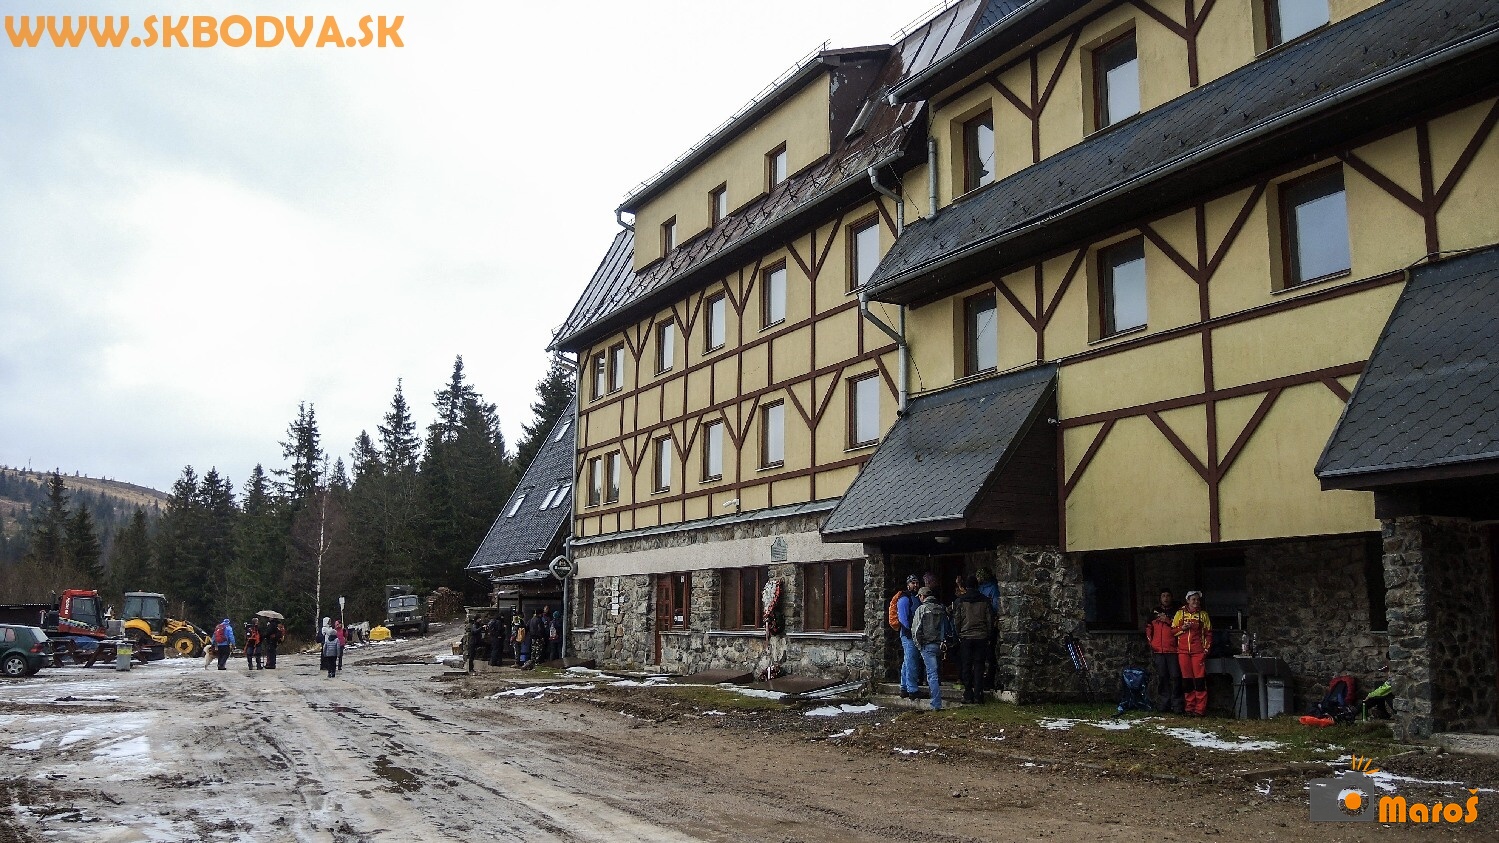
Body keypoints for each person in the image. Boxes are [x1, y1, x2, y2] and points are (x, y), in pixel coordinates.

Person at [953, 575, 993, 703]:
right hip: (981, 636)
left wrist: (959, 633)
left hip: (966, 637)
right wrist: (988, 634)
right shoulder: (985, 601)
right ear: (977, 586)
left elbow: (957, 620)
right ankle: (978, 694)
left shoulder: (960, 601)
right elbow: (989, 620)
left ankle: (968, 693)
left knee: (966, 665)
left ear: (966, 586)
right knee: (979, 665)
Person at [1172, 590, 1212, 716]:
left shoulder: (1203, 615)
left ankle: (1200, 710)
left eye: (1197, 600)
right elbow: (1173, 631)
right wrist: (1182, 628)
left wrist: (1205, 650)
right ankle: (1189, 708)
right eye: (1193, 599)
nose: (1196, 602)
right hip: (1183, 652)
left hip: (1198, 652)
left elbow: (1208, 634)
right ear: (1188, 600)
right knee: (1187, 681)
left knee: (1200, 681)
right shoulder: (1179, 614)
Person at [1145, 589, 1183, 713]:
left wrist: (1167, 620)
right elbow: (1148, 628)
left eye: (1168, 596)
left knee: (1176, 677)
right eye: (1163, 596)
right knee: (1162, 677)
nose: (1165, 598)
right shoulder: (1154, 612)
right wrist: (1152, 643)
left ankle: (1177, 704)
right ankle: (1164, 704)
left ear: (1171, 597)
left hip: (1173, 650)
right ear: (1160, 598)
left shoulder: (1177, 612)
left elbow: (1179, 628)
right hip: (1159, 650)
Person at [910, 587, 947, 711]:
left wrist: (919, 646)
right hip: (939, 645)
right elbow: (944, 628)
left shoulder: (921, 609)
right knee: (936, 674)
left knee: (932, 675)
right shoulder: (941, 609)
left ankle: (936, 704)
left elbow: (915, 630)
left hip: (927, 645)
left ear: (922, 596)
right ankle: (936, 701)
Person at [894, 574, 922, 699]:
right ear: (908, 584)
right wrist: (911, 630)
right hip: (908, 634)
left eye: (917, 583)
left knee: (907, 661)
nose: (915, 585)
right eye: (913, 583)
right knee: (911, 661)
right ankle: (912, 689)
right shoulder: (905, 599)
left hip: (913, 633)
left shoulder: (915, 598)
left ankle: (904, 687)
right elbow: (903, 619)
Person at [975, 568, 1001, 694]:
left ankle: (988, 679)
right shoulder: (982, 588)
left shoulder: (993, 588)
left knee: (989, 655)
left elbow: (995, 606)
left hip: (988, 624)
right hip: (982, 624)